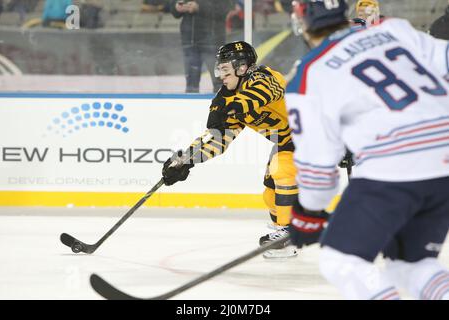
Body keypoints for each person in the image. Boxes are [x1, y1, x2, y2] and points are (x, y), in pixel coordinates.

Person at [287, 0, 449, 299]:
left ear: (302, 20)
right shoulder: (394, 29)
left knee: (340, 259)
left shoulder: (310, 72)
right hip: (444, 158)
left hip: (394, 165)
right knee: (410, 266)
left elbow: (318, 168)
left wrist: (307, 213)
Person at [162, 41, 299, 259]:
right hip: (285, 141)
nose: (220, 75)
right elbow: (218, 141)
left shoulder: (263, 77)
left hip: (314, 136)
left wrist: (233, 106)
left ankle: (288, 233)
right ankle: (284, 229)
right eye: (219, 69)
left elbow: (267, 91)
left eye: (225, 69)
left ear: (242, 67)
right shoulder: (227, 98)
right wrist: (186, 160)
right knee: (270, 194)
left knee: (282, 170)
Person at [171, 0, 233, 93]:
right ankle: (190, 106)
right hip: (190, 42)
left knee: (219, 82)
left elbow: (224, 8)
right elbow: (173, 7)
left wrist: (199, 7)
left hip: (212, 42)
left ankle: (221, 106)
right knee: (191, 85)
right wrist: (176, 7)